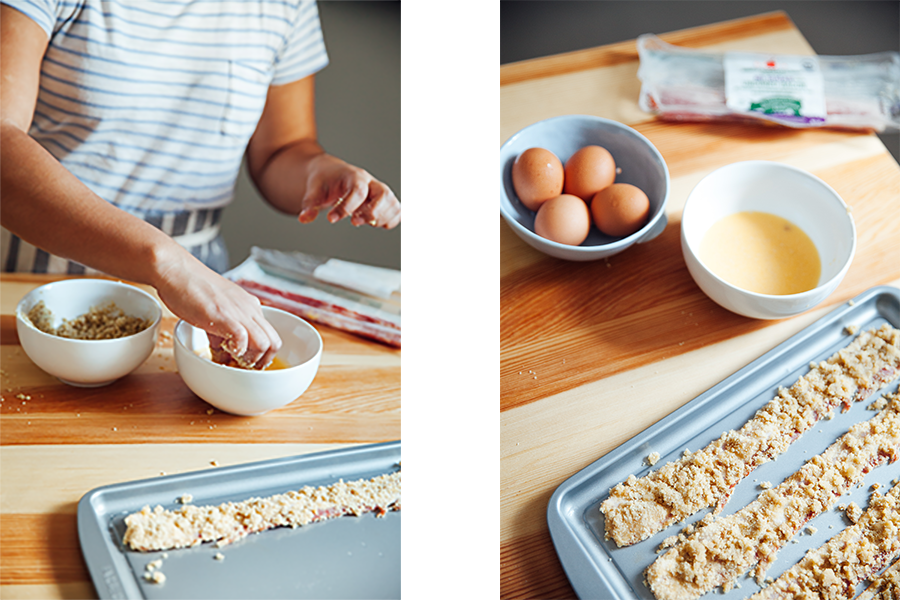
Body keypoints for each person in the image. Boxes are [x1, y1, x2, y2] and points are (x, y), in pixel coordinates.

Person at [0, 0, 400, 369]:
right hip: (36, 276)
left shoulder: (285, 5)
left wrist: (318, 172)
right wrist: (166, 262)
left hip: (199, 294)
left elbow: (283, 148)